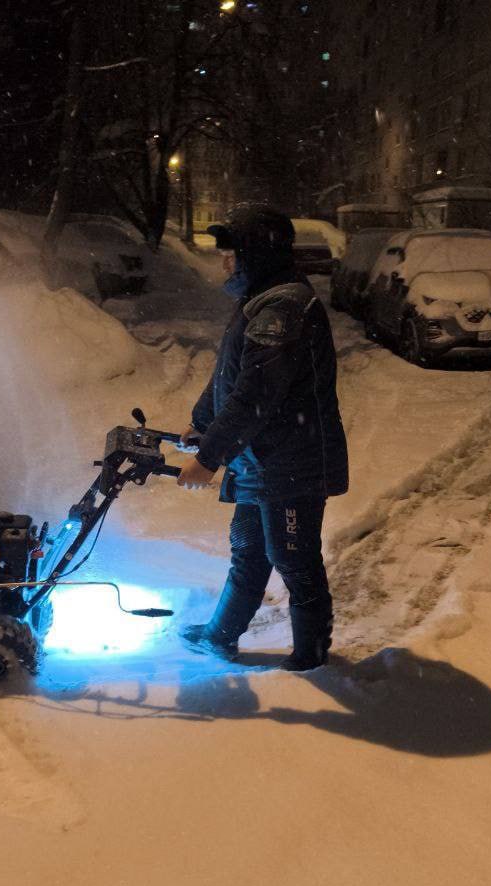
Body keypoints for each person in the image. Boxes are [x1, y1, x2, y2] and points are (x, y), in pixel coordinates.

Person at [175, 203, 349, 671]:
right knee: (249, 551)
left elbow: (257, 393)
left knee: (294, 560)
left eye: (230, 254)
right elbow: (231, 374)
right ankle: (219, 636)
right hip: (263, 460)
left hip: (291, 462)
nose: (223, 263)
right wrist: (203, 421)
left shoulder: (283, 308)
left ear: (256, 254)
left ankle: (311, 656)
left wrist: (209, 457)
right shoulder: (262, 298)